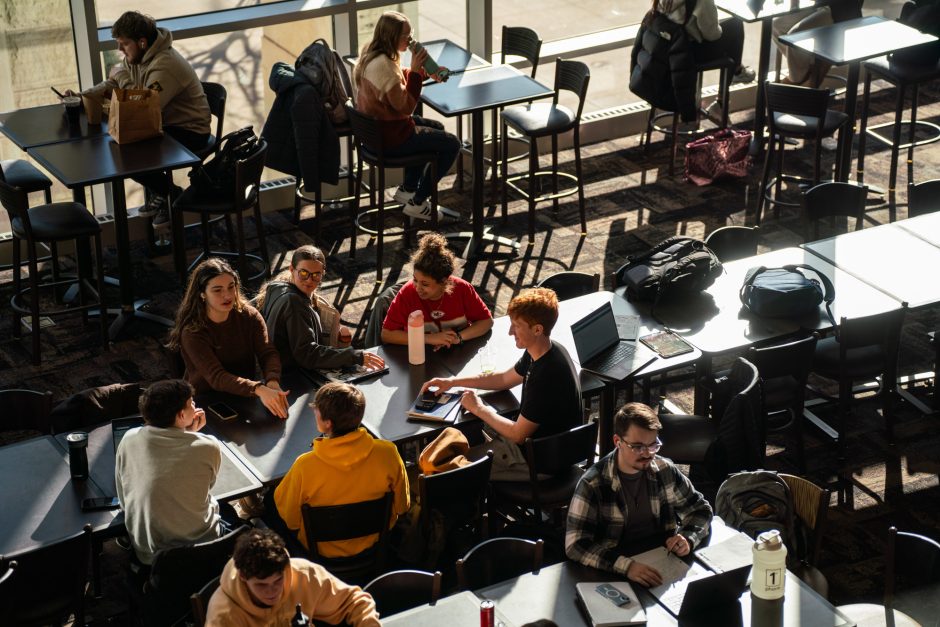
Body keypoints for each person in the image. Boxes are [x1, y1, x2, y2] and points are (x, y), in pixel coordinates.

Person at [421, 287, 581, 481]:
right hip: (549, 450)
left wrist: (479, 408)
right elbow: (504, 379)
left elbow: (518, 434)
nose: (509, 332)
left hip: (540, 463)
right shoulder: (545, 350)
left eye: (516, 326)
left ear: (537, 329)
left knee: (449, 470)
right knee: (466, 439)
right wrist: (453, 382)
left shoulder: (546, 375)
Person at [70, 11, 211, 226]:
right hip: (164, 124)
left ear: (142, 42)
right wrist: (85, 96)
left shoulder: (166, 65)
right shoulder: (137, 57)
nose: (119, 49)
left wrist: (120, 76)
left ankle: (170, 193)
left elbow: (142, 106)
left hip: (190, 131)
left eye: (124, 44)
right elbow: (114, 84)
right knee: (121, 148)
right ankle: (165, 193)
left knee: (128, 154)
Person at [565, 402, 713, 587]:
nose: (647, 454)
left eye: (653, 446)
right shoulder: (593, 483)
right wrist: (627, 566)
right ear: (617, 442)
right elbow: (575, 544)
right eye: (637, 447)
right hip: (615, 569)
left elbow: (701, 510)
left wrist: (688, 538)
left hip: (662, 560)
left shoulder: (665, 470)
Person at [268, 382, 410, 556]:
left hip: (321, 553)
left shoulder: (304, 466)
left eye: (316, 410)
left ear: (327, 423)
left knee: (268, 502)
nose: (314, 411)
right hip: (374, 546)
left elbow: (291, 521)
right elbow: (403, 506)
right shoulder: (388, 453)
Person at [115, 379, 237, 566]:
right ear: (181, 415)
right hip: (204, 547)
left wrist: (185, 434)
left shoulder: (129, 438)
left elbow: (123, 495)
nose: (195, 405)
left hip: (152, 555)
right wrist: (192, 436)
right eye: (191, 404)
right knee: (230, 514)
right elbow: (208, 486)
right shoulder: (208, 445)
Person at [353, 10, 461, 221]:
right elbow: (405, 107)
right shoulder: (383, 65)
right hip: (392, 138)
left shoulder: (373, 55)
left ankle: (408, 189)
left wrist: (420, 72)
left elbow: (394, 77)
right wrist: (414, 72)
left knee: (436, 128)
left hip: (378, 134)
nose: (411, 41)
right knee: (452, 144)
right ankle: (418, 202)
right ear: (392, 37)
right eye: (406, 36)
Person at [167, 258, 289, 419]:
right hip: (204, 403)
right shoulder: (193, 332)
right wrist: (259, 388)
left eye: (231, 287)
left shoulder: (249, 316)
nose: (227, 295)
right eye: (218, 290)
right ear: (202, 294)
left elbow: (267, 352)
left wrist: (272, 380)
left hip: (243, 395)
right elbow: (217, 377)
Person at [205, 528, 380, 626]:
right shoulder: (223, 616)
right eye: (261, 585)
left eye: (278, 580)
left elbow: (355, 602)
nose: (272, 591)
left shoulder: (304, 574)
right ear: (243, 577)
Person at [256, 245, 385, 372]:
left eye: (316, 275)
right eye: (303, 273)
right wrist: (354, 356)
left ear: (323, 274)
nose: (309, 280)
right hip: (292, 376)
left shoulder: (276, 287)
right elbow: (308, 354)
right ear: (291, 269)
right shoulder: (293, 303)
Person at [382, 233, 493, 349]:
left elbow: (486, 321)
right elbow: (387, 334)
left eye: (425, 284)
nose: (417, 287)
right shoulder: (408, 292)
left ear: (443, 281)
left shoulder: (462, 289)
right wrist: (430, 339)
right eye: (415, 280)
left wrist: (457, 338)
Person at [653, 0, 754, 125]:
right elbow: (713, 35)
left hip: (669, 50)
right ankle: (733, 78)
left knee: (730, 31)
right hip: (688, 55)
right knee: (735, 25)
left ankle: (736, 74)